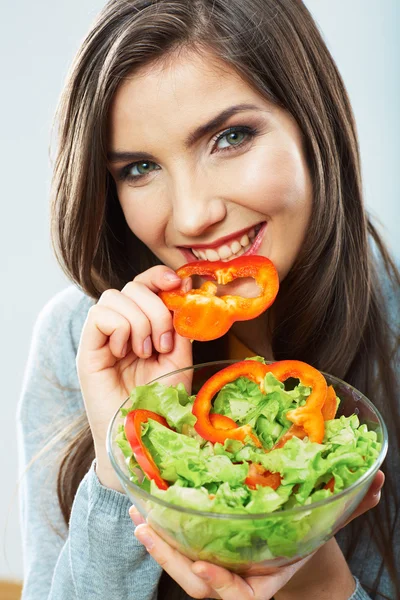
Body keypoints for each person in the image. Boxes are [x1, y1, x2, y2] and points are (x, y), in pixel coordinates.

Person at [17, 1, 399, 599]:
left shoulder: (394, 329)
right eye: (140, 168)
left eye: (231, 137)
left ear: (311, 122)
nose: (194, 216)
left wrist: (315, 582)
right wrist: (130, 451)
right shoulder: (78, 339)